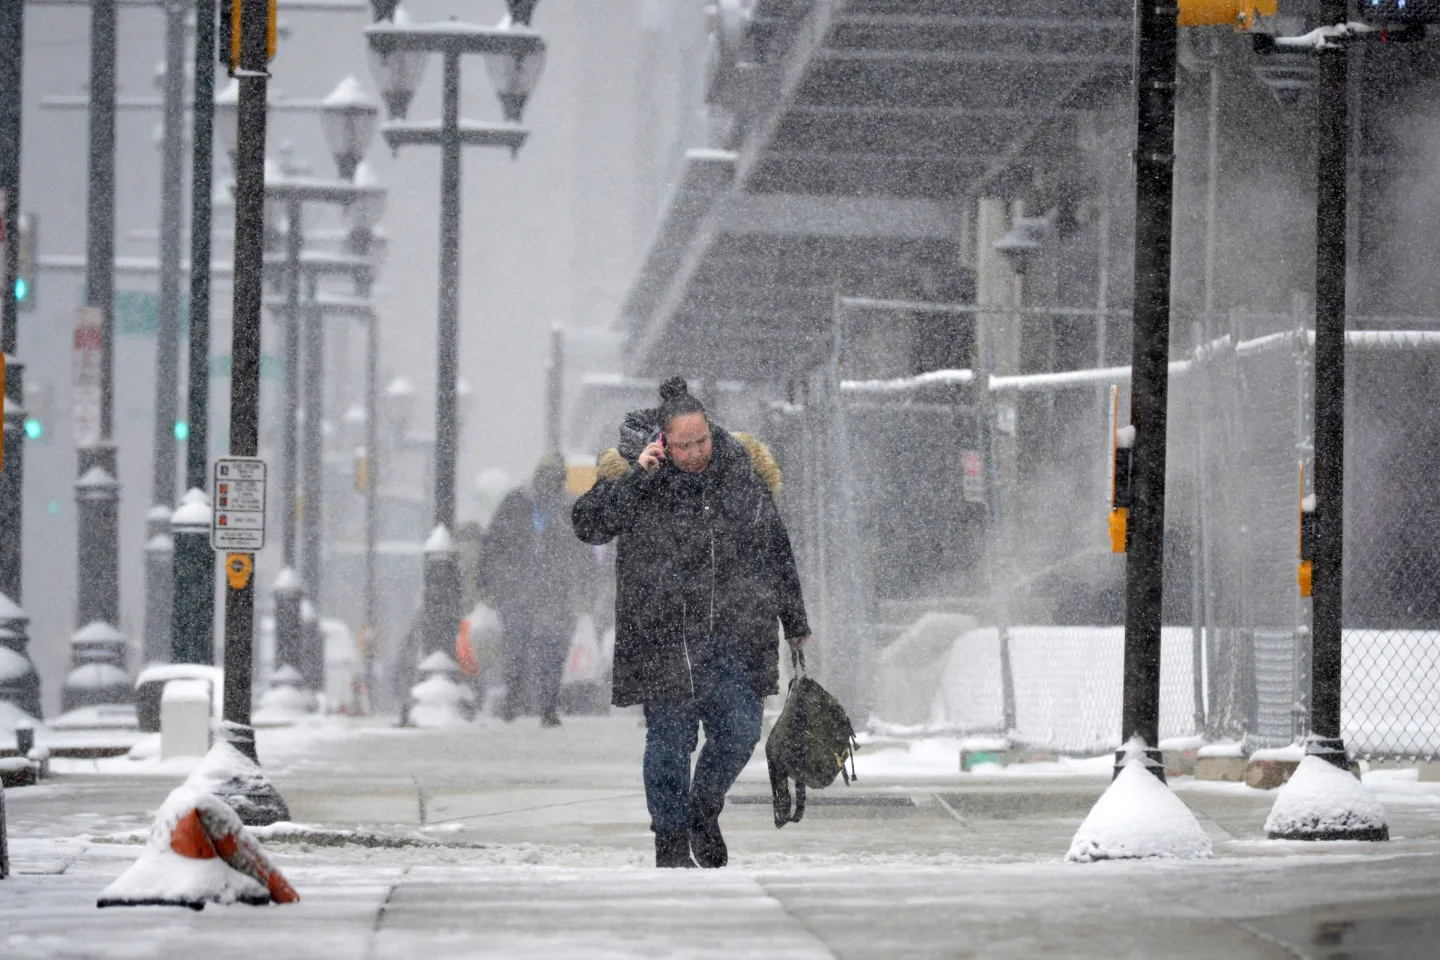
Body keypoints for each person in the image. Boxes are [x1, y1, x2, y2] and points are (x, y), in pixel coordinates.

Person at [572, 377, 810, 868]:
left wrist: (794, 620)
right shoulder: (634, 469)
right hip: (663, 636)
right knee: (669, 743)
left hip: (733, 634)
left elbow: (775, 547)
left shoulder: (740, 468)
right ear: (663, 441)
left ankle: (704, 807)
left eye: (701, 440)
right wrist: (638, 478)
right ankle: (670, 844)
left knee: (742, 729)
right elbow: (588, 524)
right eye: (684, 445)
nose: (696, 452)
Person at [478, 453, 590, 726]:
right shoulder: (515, 503)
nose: (549, 483)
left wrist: (586, 588)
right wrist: (484, 580)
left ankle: (548, 706)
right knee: (516, 645)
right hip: (516, 589)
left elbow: (586, 552)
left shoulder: (571, 508)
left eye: (555, 477)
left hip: (556, 592)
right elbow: (493, 542)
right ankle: (512, 700)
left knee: (553, 648)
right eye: (545, 476)